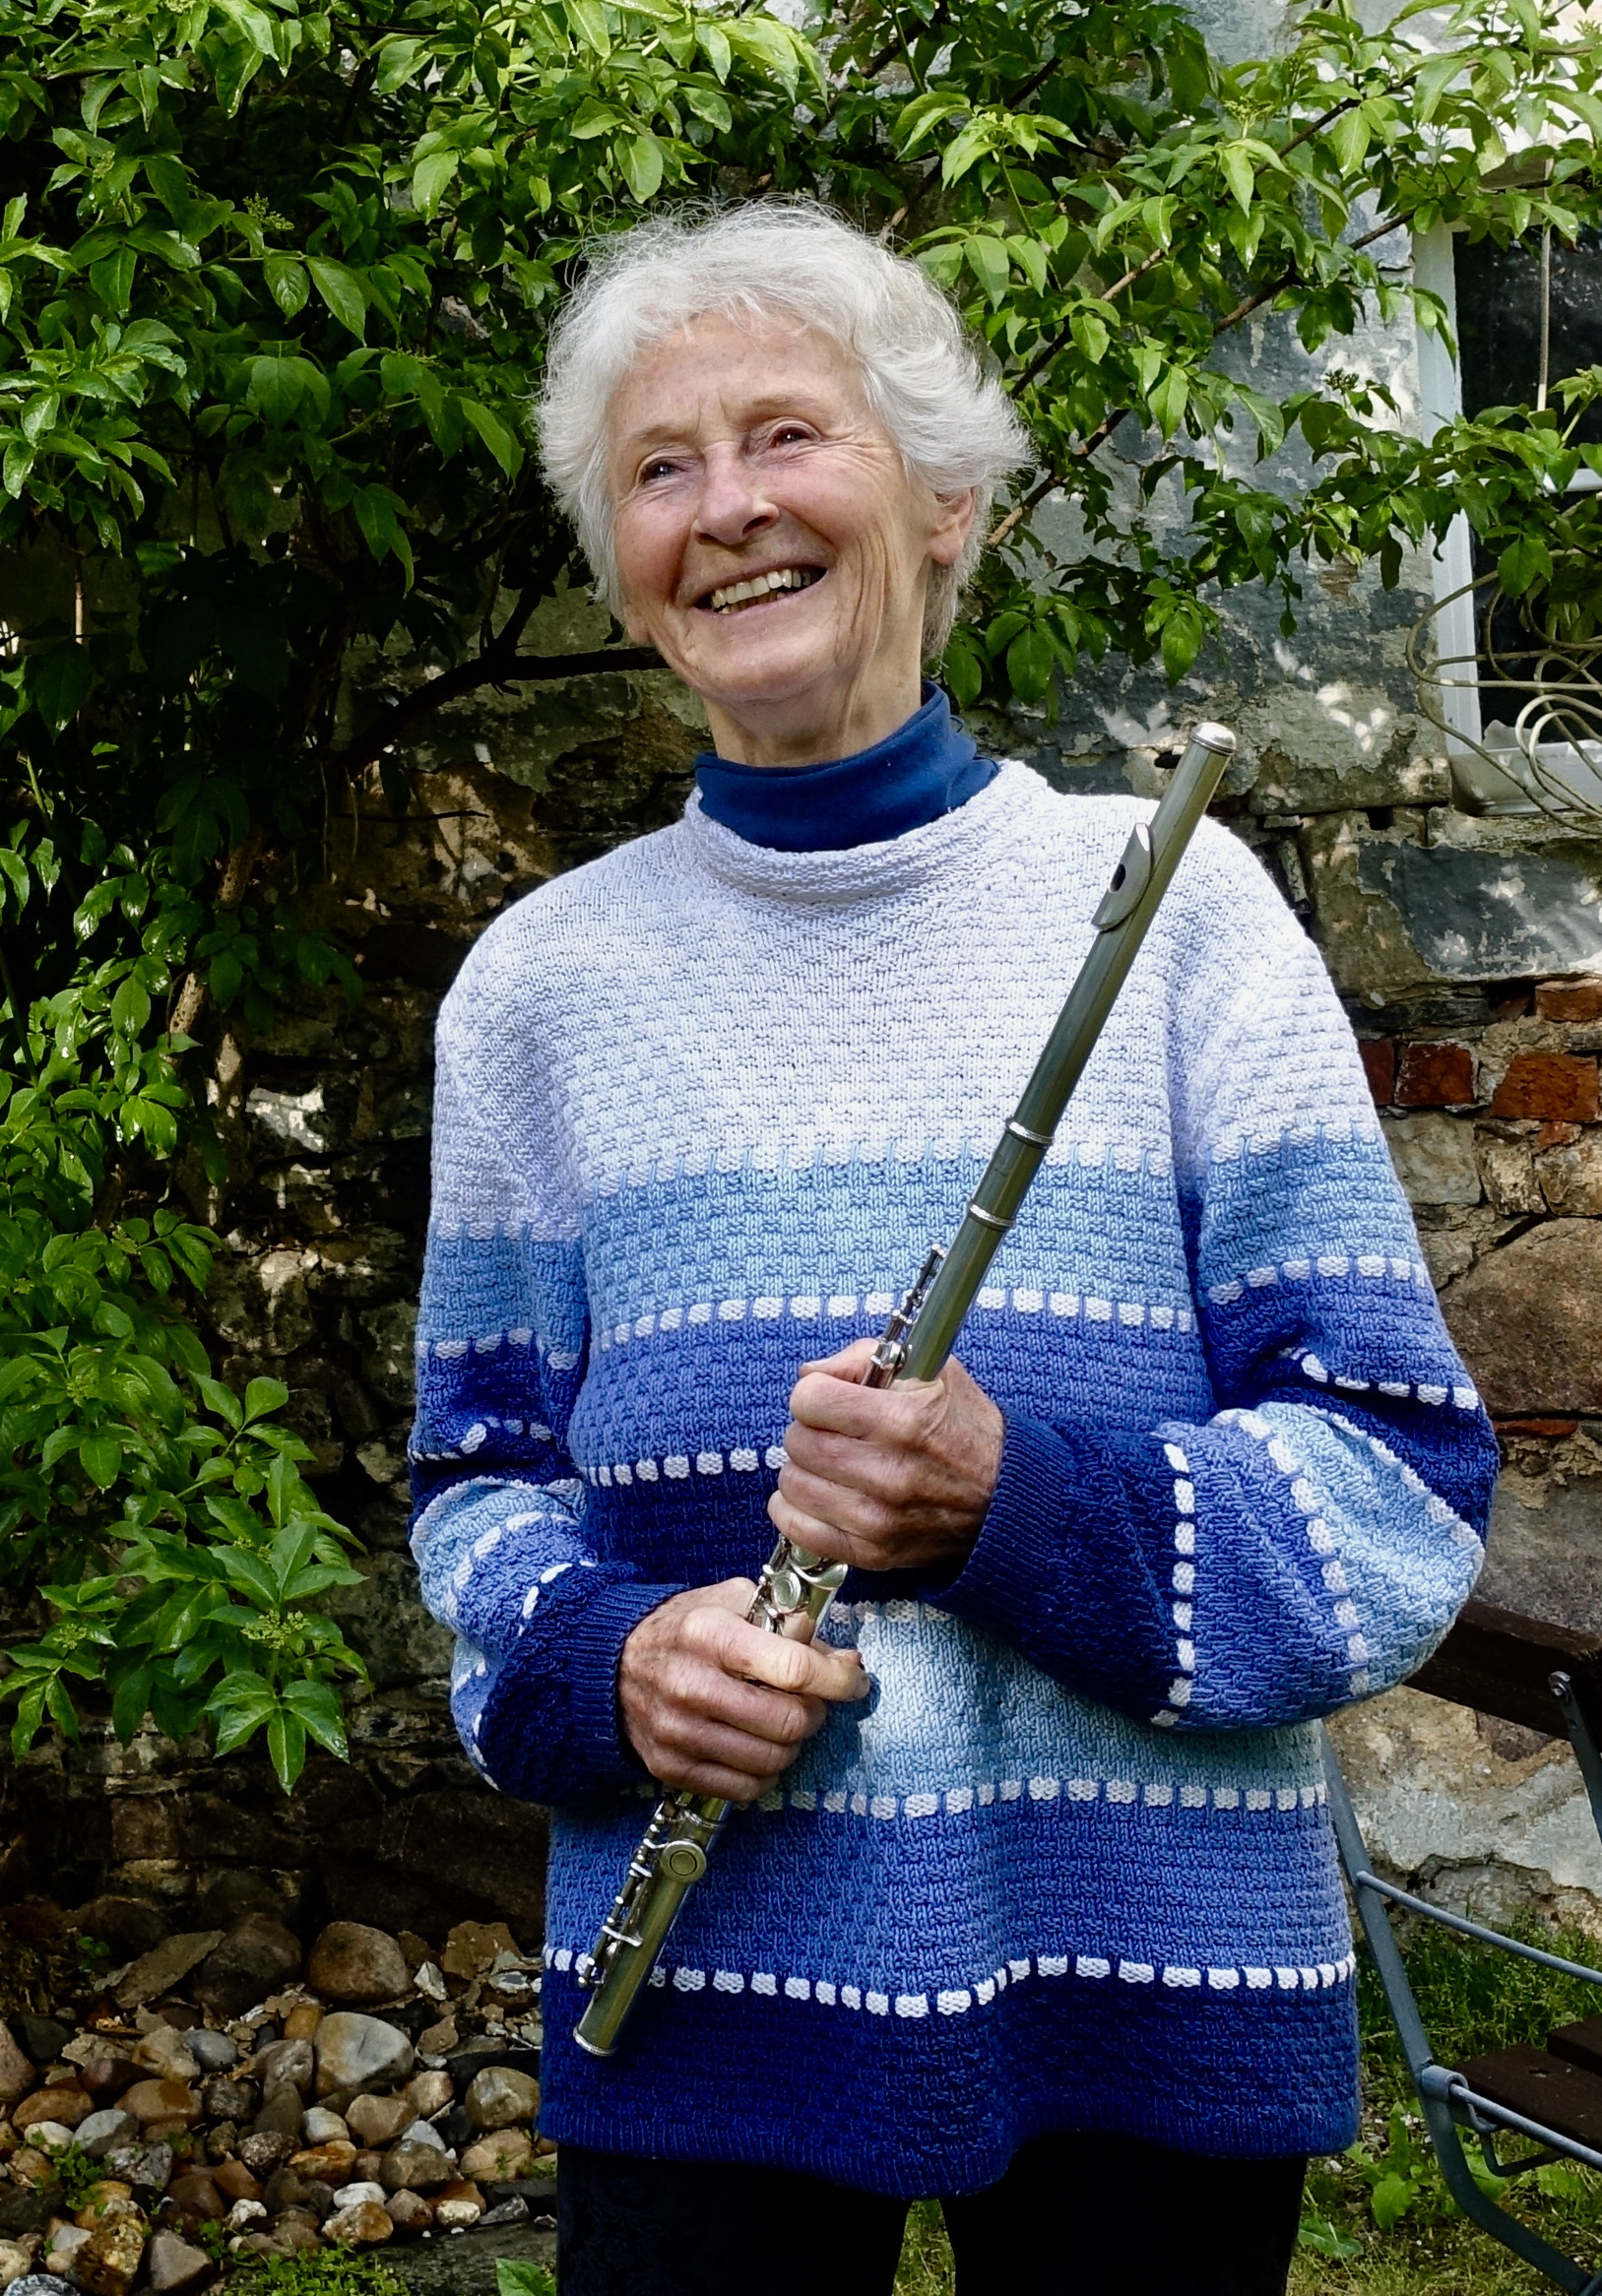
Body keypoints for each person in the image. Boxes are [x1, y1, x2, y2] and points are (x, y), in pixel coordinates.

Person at [409, 203, 1498, 2295]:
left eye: (786, 434)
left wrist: (1012, 1503)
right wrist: (607, 1663)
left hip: (1147, 1976)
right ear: (627, 576)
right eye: (660, 469)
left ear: (946, 501)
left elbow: (1394, 1488)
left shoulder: (1181, 915)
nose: (727, 508)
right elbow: (479, 1490)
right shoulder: (539, 989)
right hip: (703, 1991)